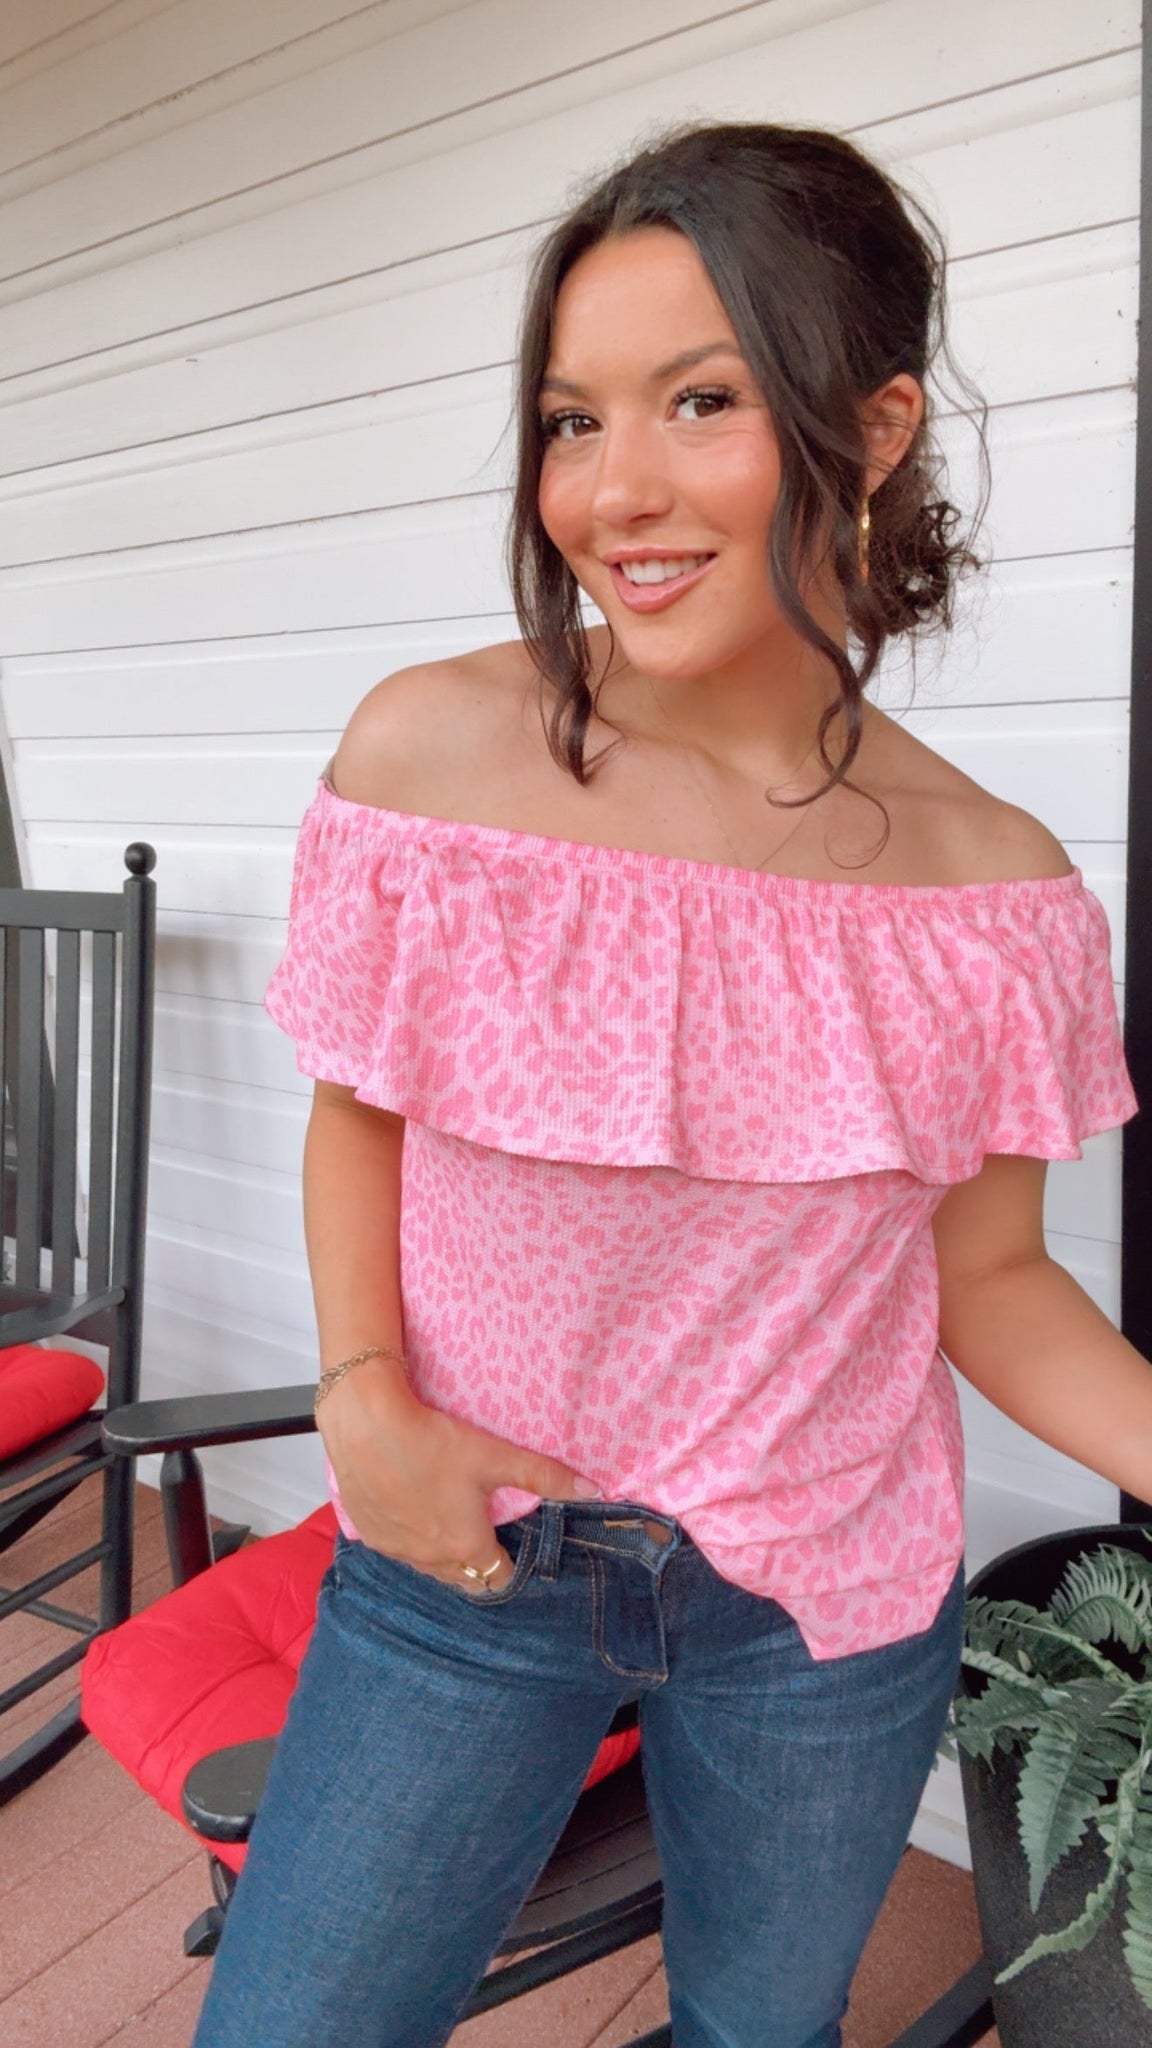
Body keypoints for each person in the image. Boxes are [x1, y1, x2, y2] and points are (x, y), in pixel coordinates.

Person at [192, 123, 1141, 2048]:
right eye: (571, 420)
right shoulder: (434, 759)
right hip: (466, 1559)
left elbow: (993, 1279)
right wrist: (362, 1398)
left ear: (874, 428)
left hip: (829, 1609)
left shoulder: (993, 888)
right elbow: (360, 1109)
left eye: (701, 400)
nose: (613, 490)